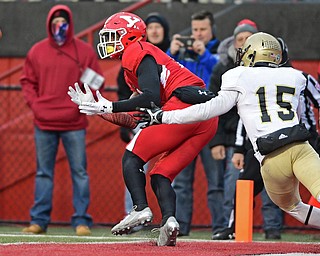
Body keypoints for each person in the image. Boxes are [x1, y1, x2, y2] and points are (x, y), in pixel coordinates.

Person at [137, 32, 320, 231]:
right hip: (300, 147)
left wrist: (164, 116)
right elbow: (300, 114)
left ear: (253, 54)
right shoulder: (296, 76)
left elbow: (207, 110)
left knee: (292, 205)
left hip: (270, 158)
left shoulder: (238, 75)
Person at [68, 12, 218, 246]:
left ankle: (140, 208)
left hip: (184, 105)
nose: (107, 41)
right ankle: (169, 222)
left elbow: (150, 96)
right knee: (160, 174)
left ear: (129, 36)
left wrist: (108, 104)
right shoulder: (135, 65)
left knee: (131, 157)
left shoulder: (136, 51)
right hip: (206, 119)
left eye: (112, 35)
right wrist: (100, 110)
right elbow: (135, 117)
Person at [20, 5, 104, 236]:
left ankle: (81, 221)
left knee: (80, 172)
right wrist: (35, 105)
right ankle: (39, 221)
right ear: (49, 24)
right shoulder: (37, 51)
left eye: (63, 23)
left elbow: (97, 83)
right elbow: (27, 81)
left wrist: (85, 104)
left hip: (74, 123)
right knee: (43, 173)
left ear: (70, 25)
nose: (60, 27)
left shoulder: (84, 51)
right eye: (56, 22)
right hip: (43, 123)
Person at [209, 19, 283, 240]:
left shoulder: (284, 74)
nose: (243, 45)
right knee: (240, 184)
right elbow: (224, 108)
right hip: (248, 140)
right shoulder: (227, 69)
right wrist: (227, 143)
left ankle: (273, 229)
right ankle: (234, 228)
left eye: (248, 40)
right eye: (240, 40)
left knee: (280, 190)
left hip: (283, 138)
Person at [166, 10, 222, 237]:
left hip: (210, 122)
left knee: (216, 182)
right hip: (186, 121)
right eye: (195, 30)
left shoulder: (219, 50)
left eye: (203, 30)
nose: (198, 34)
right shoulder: (181, 53)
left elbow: (222, 74)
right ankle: (180, 228)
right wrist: (172, 52)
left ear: (212, 30)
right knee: (181, 182)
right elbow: (167, 74)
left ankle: (221, 228)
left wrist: (205, 54)